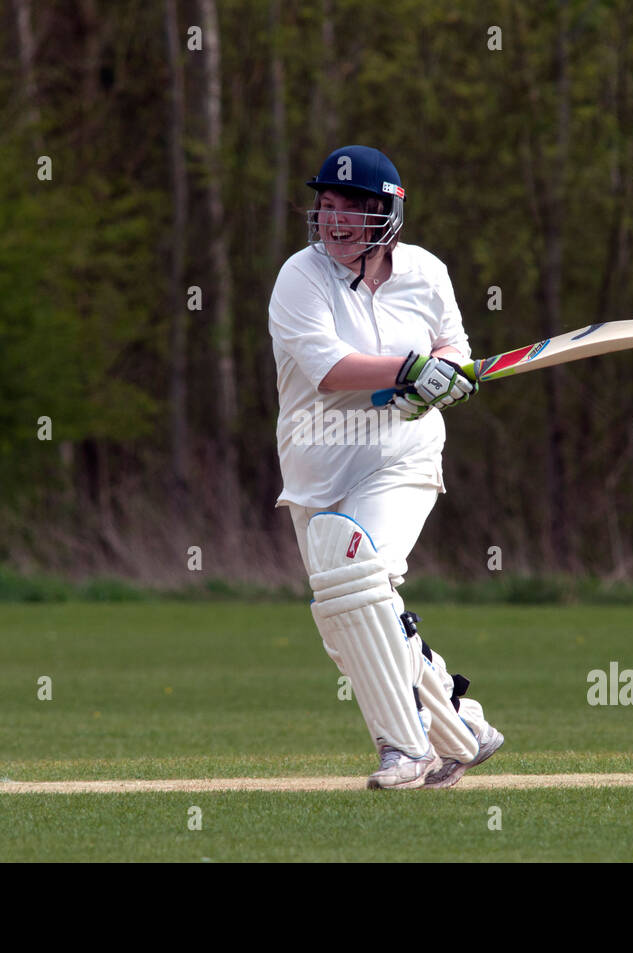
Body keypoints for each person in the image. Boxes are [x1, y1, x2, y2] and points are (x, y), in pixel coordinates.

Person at [268, 144, 503, 789]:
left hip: (402, 456)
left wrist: (445, 373)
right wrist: (408, 370)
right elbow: (330, 370)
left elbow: (451, 345)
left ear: (386, 215)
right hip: (317, 463)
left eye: (352, 208)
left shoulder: (426, 273)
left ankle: (405, 749)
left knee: (357, 567)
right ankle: (462, 724)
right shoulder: (300, 277)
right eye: (327, 205)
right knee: (348, 624)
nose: (335, 219)